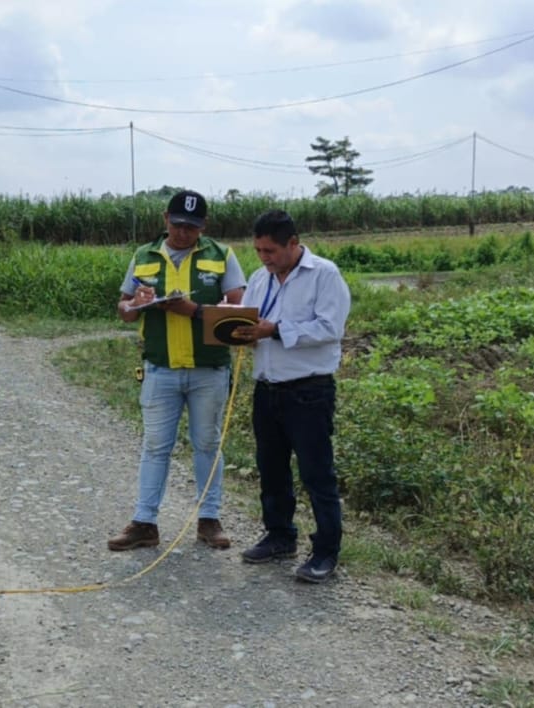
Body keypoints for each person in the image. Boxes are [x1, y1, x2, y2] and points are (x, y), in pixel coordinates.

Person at [108, 190, 246, 552]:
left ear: (204, 226)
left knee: (207, 444)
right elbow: (123, 310)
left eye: (193, 227)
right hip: (160, 367)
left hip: (209, 369)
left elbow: (238, 313)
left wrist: (193, 310)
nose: (184, 233)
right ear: (165, 219)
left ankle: (209, 520)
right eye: (179, 225)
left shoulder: (222, 256)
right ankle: (144, 523)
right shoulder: (144, 256)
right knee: (155, 446)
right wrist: (134, 304)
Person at [231, 209, 351, 583]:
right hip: (267, 389)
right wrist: (240, 332)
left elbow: (330, 328)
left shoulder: (324, 275)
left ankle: (326, 551)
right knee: (271, 469)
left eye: (270, 251)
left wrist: (275, 330)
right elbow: (252, 321)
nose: (263, 258)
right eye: (258, 250)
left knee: (316, 473)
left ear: (293, 244)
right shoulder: (259, 279)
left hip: (308, 392)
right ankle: (280, 536)